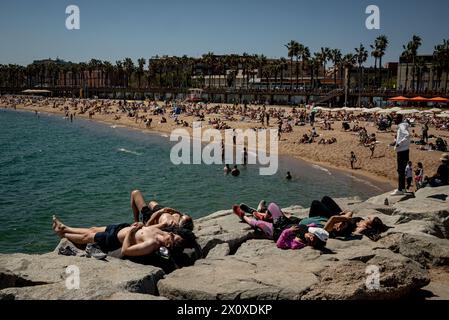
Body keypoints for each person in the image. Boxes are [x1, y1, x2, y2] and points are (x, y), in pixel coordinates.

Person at [51, 215, 196, 257]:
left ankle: (63, 234)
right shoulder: (165, 233)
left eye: (174, 239)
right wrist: (146, 225)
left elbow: (126, 250)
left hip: (115, 239)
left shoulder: (152, 244)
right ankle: (65, 227)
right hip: (122, 227)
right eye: (175, 237)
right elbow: (149, 227)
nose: (171, 235)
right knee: (92, 229)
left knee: (87, 238)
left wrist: (132, 232)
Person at [391, 114, 411, 196]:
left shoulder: (401, 126)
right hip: (405, 150)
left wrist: (399, 143)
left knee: (400, 170)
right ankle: (403, 188)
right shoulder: (403, 125)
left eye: (395, 118)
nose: (394, 120)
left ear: (399, 119)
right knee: (402, 171)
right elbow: (403, 136)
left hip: (402, 151)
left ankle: (400, 189)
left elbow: (407, 135)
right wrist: (395, 142)